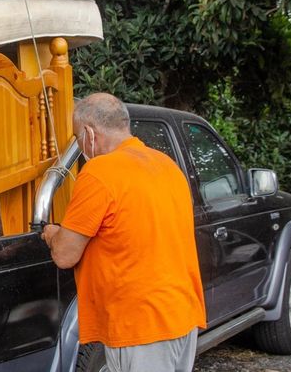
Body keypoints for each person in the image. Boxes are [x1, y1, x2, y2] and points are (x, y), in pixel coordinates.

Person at [41, 93, 206, 372]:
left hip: (141, 325)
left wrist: (52, 233)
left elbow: (65, 255)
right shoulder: (167, 165)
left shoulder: (99, 171)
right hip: (182, 313)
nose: (81, 147)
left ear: (90, 134)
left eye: (77, 139)